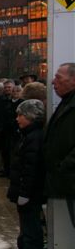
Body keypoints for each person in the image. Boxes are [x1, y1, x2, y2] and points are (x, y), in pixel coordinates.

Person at [5, 99, 46, 249]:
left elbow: (31, 169)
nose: (17, 118)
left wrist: (25, 193)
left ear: (30, 116)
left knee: (31, 227)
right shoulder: (28, 135)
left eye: (20, 115)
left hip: (30, 192)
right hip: (26, 190)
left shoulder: (34, 137)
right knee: (25, 226)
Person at [44, 62, 75, 212]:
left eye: (58, 77)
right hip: (67, 181)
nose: (53, 81)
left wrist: (63, 167)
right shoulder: (67, 102)